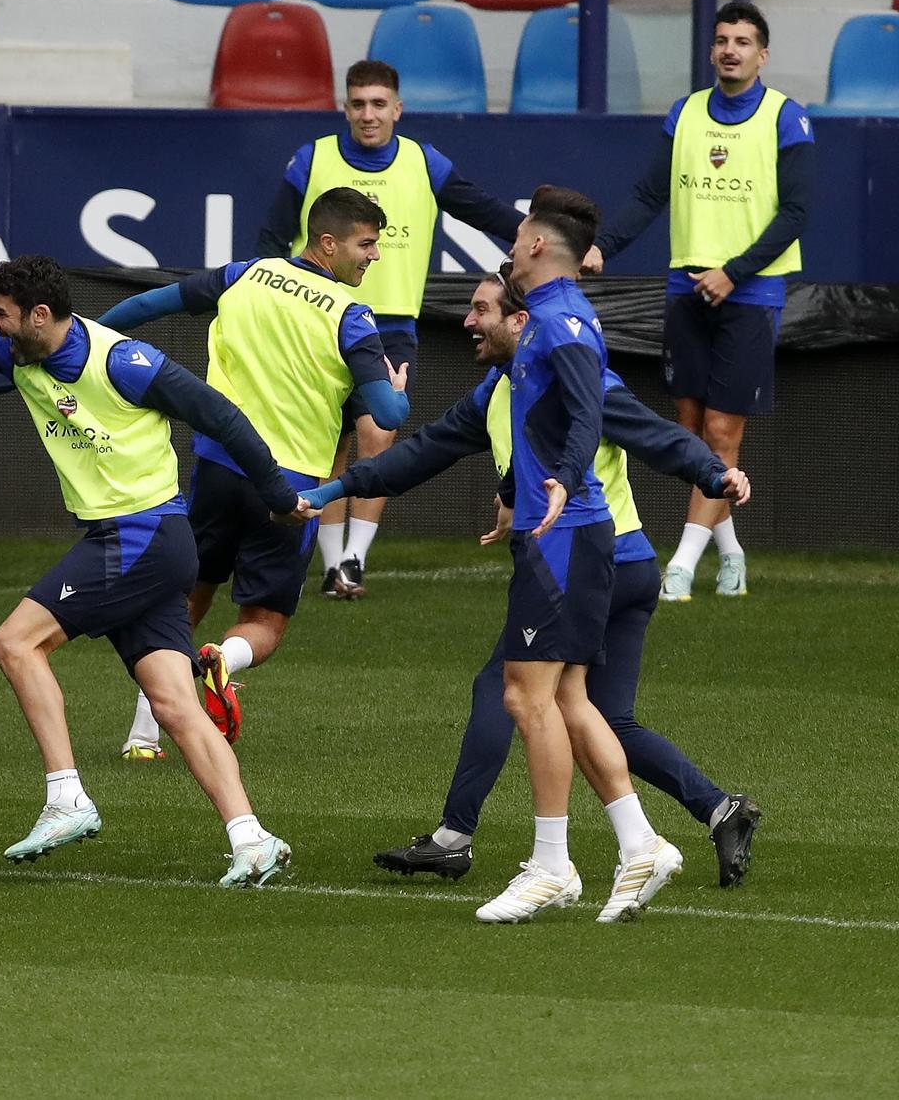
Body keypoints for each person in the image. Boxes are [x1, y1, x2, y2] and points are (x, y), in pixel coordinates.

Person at [0, 255, 298, 887]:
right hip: (146, 545)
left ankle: (67, 797)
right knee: (174, 703)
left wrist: (276, 493)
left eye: (1, 314)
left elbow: (221, 417)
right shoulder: (14, 351)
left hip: (140, 536)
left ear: (39, 315)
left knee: (15, 642)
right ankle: (253, 838)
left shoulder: (124, 363)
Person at [304, 267, 764, 889]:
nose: (467, 321)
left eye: (482, 309)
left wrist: (715, 473)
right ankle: (717, 809)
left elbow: (656, 436)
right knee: (602, 717)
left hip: (589, 567)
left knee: (509, 688)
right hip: (619, 568)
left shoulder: (575, 377)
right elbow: (420, 455)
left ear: (522, 320)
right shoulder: (495, 390)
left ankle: (466, 840)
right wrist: (335, 488)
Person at [379, 185, 682, 923]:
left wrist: (557, 485)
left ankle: (553, 864)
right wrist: (518, 485)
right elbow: (545, 426)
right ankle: (641, 844)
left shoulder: (561, 322)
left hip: (568, 536)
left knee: (525, 695)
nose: (511, 246)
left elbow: (585, 414)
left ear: (538, 246)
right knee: (569, 699)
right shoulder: (550, 321)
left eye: (517, 237)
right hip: (565, 531)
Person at [100, 186, 409, 759]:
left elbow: (148, 306)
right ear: (328, 243)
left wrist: (89, 339)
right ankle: (224, 660)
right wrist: (395, 390)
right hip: (290, 490)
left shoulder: (247, 273)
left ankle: (143, 733)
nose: (375, 256)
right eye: (367, 244)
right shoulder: (352, 316)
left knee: (187, 597)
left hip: (218, 469)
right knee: (262, 621)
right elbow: (387, 419)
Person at [258, 59, 525, 599]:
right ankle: (331, 563)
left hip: (392, 325)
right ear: (345, 107)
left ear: (398, 109)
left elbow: (485, 211)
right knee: (323, 444)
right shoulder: (313, 160)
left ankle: (354, 558)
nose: (368, 114)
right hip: (314, 322)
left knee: (377, 437)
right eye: (358, 103)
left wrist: (547, 240)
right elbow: (270, 239)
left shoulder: (424, 163)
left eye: (379, 103)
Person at [587, 2, 812, 602]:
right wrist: (604, 246)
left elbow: (796, 213)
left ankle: (681, 566)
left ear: (763, 55)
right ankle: (732, 554)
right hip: (685, 288)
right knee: (689, 431)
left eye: (742, 41)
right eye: (721, 41)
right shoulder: (684, 113)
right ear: (711, 51)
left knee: (720, 430)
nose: (730, 50)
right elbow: (649, 193)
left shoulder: (785, 118)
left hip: (750, 292)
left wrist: (734, 274)